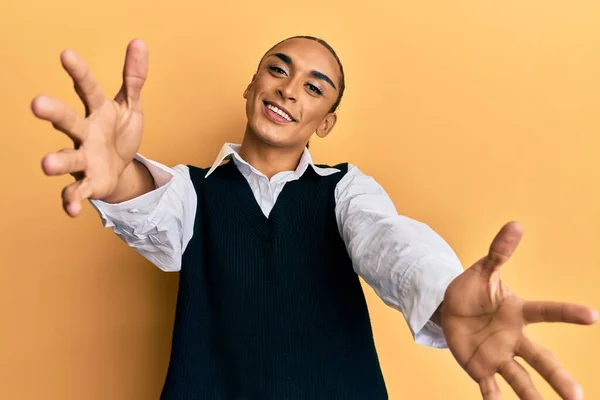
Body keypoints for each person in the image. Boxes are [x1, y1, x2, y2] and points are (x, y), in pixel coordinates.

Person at [32, 36, 597, 400]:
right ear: (252, 86)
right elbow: (150, 207)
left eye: (313, 86)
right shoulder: (192, 191)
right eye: (277, 70)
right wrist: (119, 172)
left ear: (325, 121)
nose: (288, 88)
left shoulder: (347, 191)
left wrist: (447, 293)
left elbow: (390, 242)